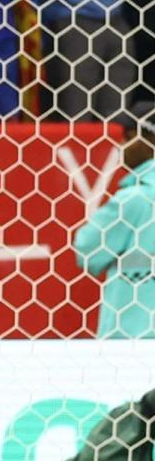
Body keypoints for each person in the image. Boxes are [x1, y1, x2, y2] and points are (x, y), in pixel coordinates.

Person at [73, 101, 155, 338]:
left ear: (150, 141)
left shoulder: (134, 200)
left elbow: (87, 251)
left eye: (127, 137)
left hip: (130, 339)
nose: (121, 146)